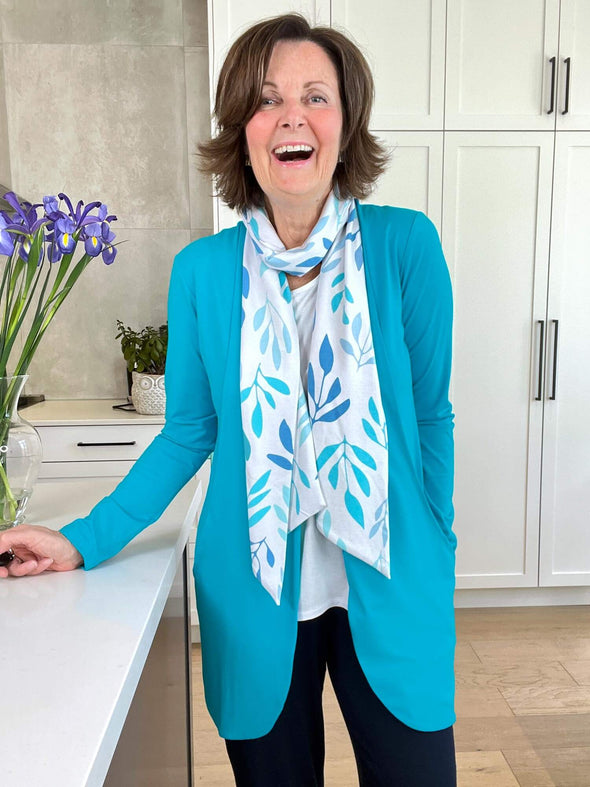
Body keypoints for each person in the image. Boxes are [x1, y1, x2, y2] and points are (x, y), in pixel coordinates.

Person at [0, 13, 458, 786]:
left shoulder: (406, 246)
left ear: (344, 125)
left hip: (391, 574)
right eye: (268, 98)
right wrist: (85, 536)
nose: (292, 115)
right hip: (253, 586)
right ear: (243, 132)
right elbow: (188, 434)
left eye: (317, 96)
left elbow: (431, 413)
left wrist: (436, 536)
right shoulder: (203, 272)